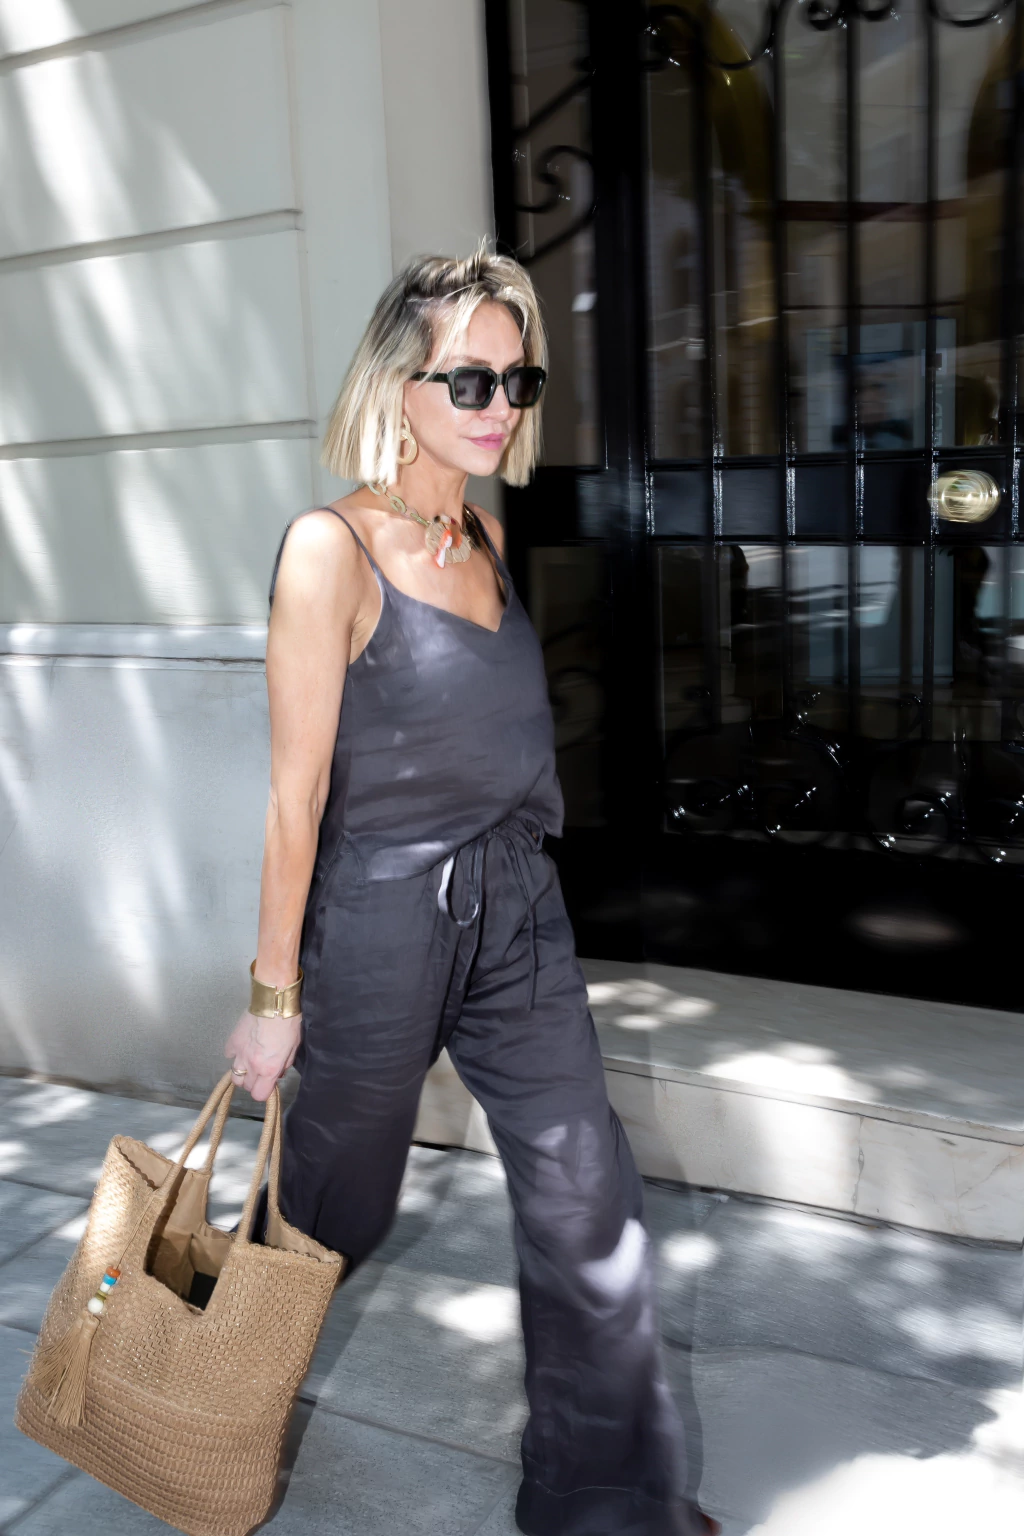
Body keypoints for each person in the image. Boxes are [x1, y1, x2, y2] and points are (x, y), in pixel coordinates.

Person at [224, 249, 719, 1536]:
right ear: (398, 383)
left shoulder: (486, 537)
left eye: (518, 379)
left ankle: (602, 1502)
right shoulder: (329, 550)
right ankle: (205, 1414)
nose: (500, 405)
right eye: (471, 380)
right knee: (329, 1210)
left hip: (517, 912)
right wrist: (274, 999)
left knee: (585, 1194)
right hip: (381, 923)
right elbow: (293, 799)